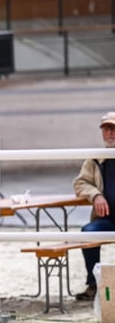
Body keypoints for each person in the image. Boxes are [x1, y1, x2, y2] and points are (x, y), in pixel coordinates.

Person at [72, 111, 115, 301]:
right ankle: (93, 284)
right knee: (88, 232)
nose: (110, 134)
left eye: (113, 129)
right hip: (107, 220)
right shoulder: (96, 159)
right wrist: (96, 195)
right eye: (106, 129)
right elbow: (80, 183)